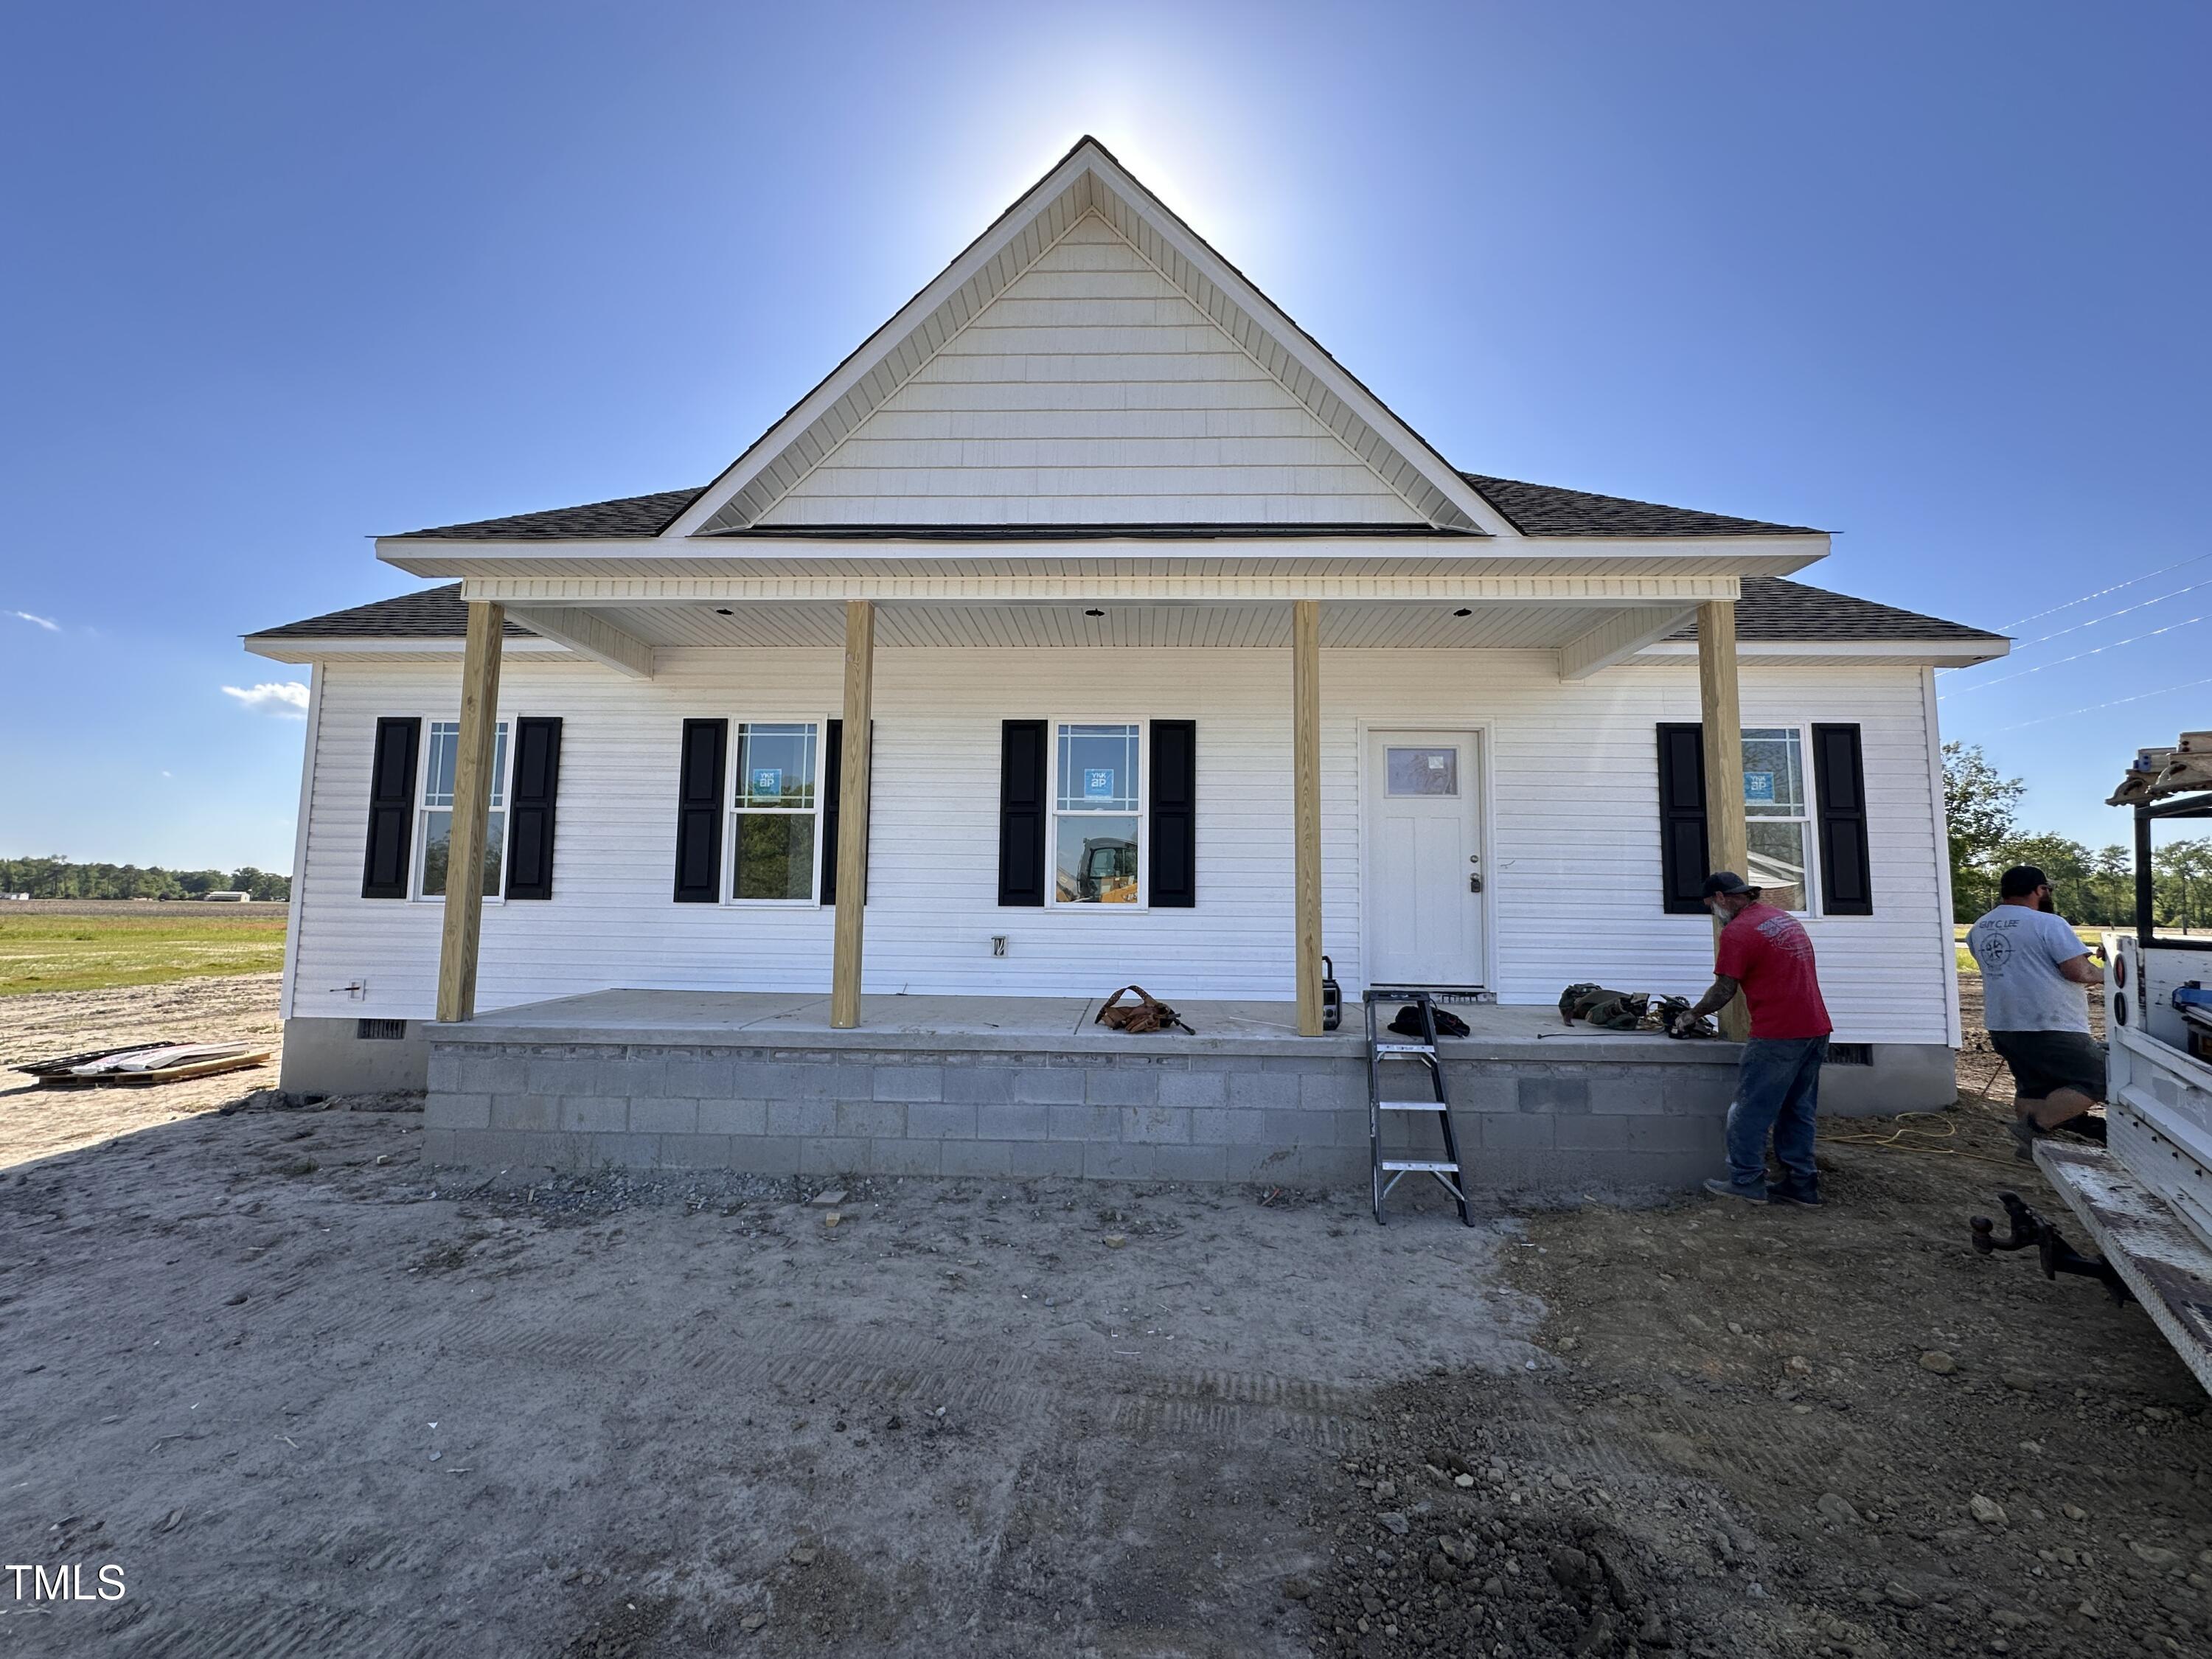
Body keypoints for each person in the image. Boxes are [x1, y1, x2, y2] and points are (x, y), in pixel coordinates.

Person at [1672, 872, 1834, 1206]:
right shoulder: (1781, 918)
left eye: (1709, 907)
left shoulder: (1739, 932)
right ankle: (1801, 1185)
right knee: (1797, 1109)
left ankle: (1746, 1181)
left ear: (1720, 898)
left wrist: (1692, 1015)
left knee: (1748, 1110)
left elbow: (1724, 989)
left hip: (1778, 1034)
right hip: (1815, 1028)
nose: (1713, 916)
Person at [1964, 864, 2107, 1160]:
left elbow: (2022, 969)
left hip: (2003, 1022)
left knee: (2034, 1087)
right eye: (2046, 890)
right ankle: (2034, 1128)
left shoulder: (1979, 928)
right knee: (2100, 1078)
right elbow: (2077, 971)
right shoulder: (2048, 923)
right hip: (2050, 1023)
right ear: (2039, 890)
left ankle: (2029, 1151)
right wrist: (2111, 976)